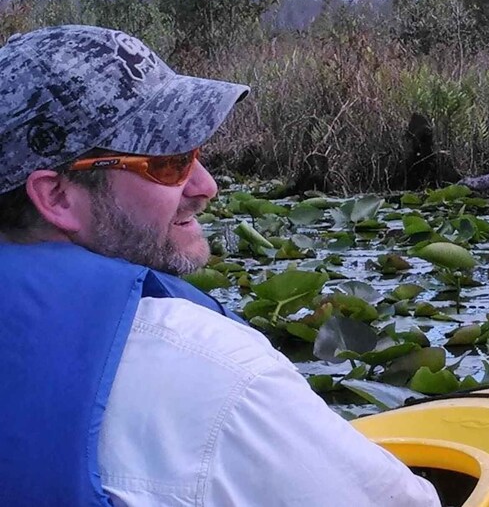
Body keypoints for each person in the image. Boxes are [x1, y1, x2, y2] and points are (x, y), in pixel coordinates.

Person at [0, 25, 440, 506]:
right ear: (57, 195)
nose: (205, 186)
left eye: (195, 153)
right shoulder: (220, 373)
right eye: (169, 162)